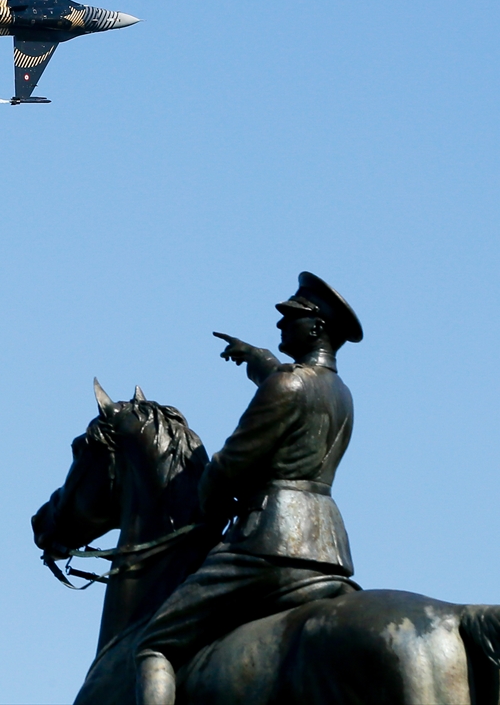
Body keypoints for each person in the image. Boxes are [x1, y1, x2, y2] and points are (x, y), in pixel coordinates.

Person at [134, 272, 364, 705]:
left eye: (289, 318)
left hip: (268, 545)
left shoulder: (288, 384)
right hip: (328, 553)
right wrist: (255, 358)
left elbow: (230, 464)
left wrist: (205, 509)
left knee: (155, 644)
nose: (279, 325)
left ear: (315, 327)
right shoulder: (341, 392)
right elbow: (294, 387)